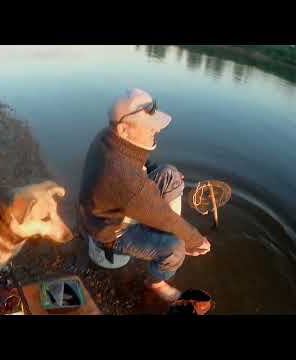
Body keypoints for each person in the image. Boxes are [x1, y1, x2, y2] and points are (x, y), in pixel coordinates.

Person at [78, 88, 211, 302]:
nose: (155, 131)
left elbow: (137, 165)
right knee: (175, 248)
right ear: (124, 129)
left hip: (110, 206)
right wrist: (194, 240)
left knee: (170, 174)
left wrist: (152, 172)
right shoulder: (124, 177)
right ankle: (156, 282)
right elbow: (163, 215)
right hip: (109, 231)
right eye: (149, 128)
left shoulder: (107, 136)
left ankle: (159, 236)